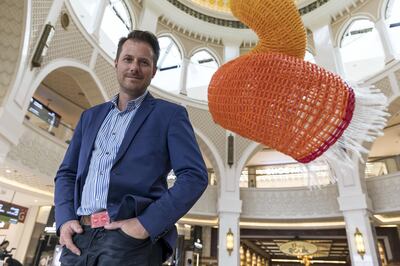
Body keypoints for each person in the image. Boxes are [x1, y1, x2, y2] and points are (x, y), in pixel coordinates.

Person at [54, 30, 208, 265]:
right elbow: (67, 173)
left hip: (129, 241)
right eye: (128, 59)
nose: (134, 67)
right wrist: (64, 220)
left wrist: (145, 225)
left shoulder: (170, 116)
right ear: (116, 63)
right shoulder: (90, 117)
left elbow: (194, 176)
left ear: (154, 71)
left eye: (143, 62)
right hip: (79, 238)